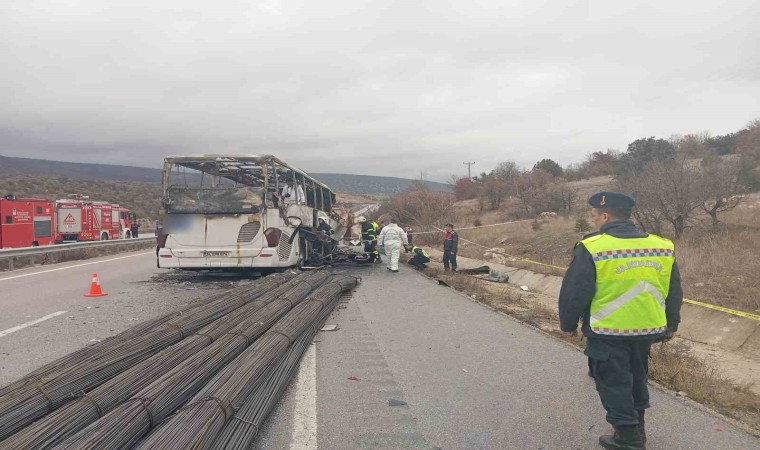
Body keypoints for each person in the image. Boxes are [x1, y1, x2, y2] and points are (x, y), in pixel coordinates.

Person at [558, 192, 683, 450]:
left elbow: (575, 290)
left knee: (613, 382)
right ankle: (638, 427)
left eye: (593, 217)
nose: (592, 222)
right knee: (637, 377)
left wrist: (568, 324)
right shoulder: (662, 245)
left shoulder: (593, 247)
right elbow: (674, 289)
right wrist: (671, 324)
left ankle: (628, 437)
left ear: (605, 216)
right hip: (648, 328)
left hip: (608, 330)